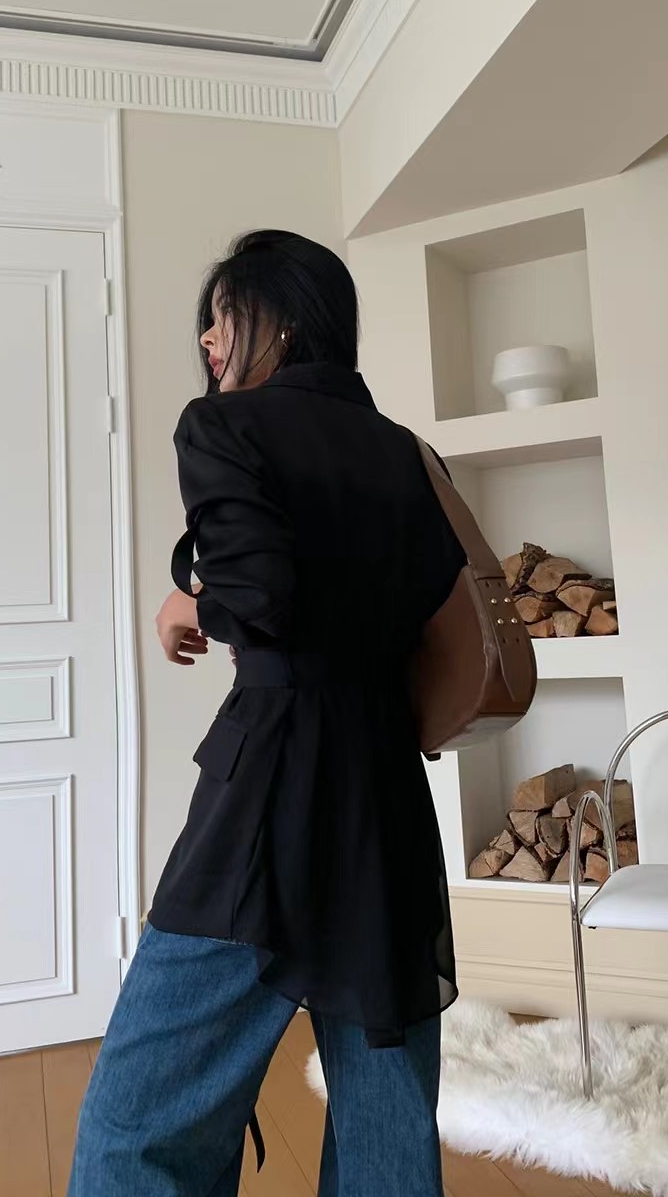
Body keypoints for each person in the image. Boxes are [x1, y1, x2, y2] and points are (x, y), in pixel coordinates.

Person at [70, 230, 466, 1197]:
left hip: (270, 788)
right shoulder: (409, 453)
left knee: (139, 1114)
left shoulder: (225, 426)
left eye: (221, 318)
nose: (209, 341)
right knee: (385, 1106)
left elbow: (262, 596)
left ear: (280, 321)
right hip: (383, 789)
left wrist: (187, 604)